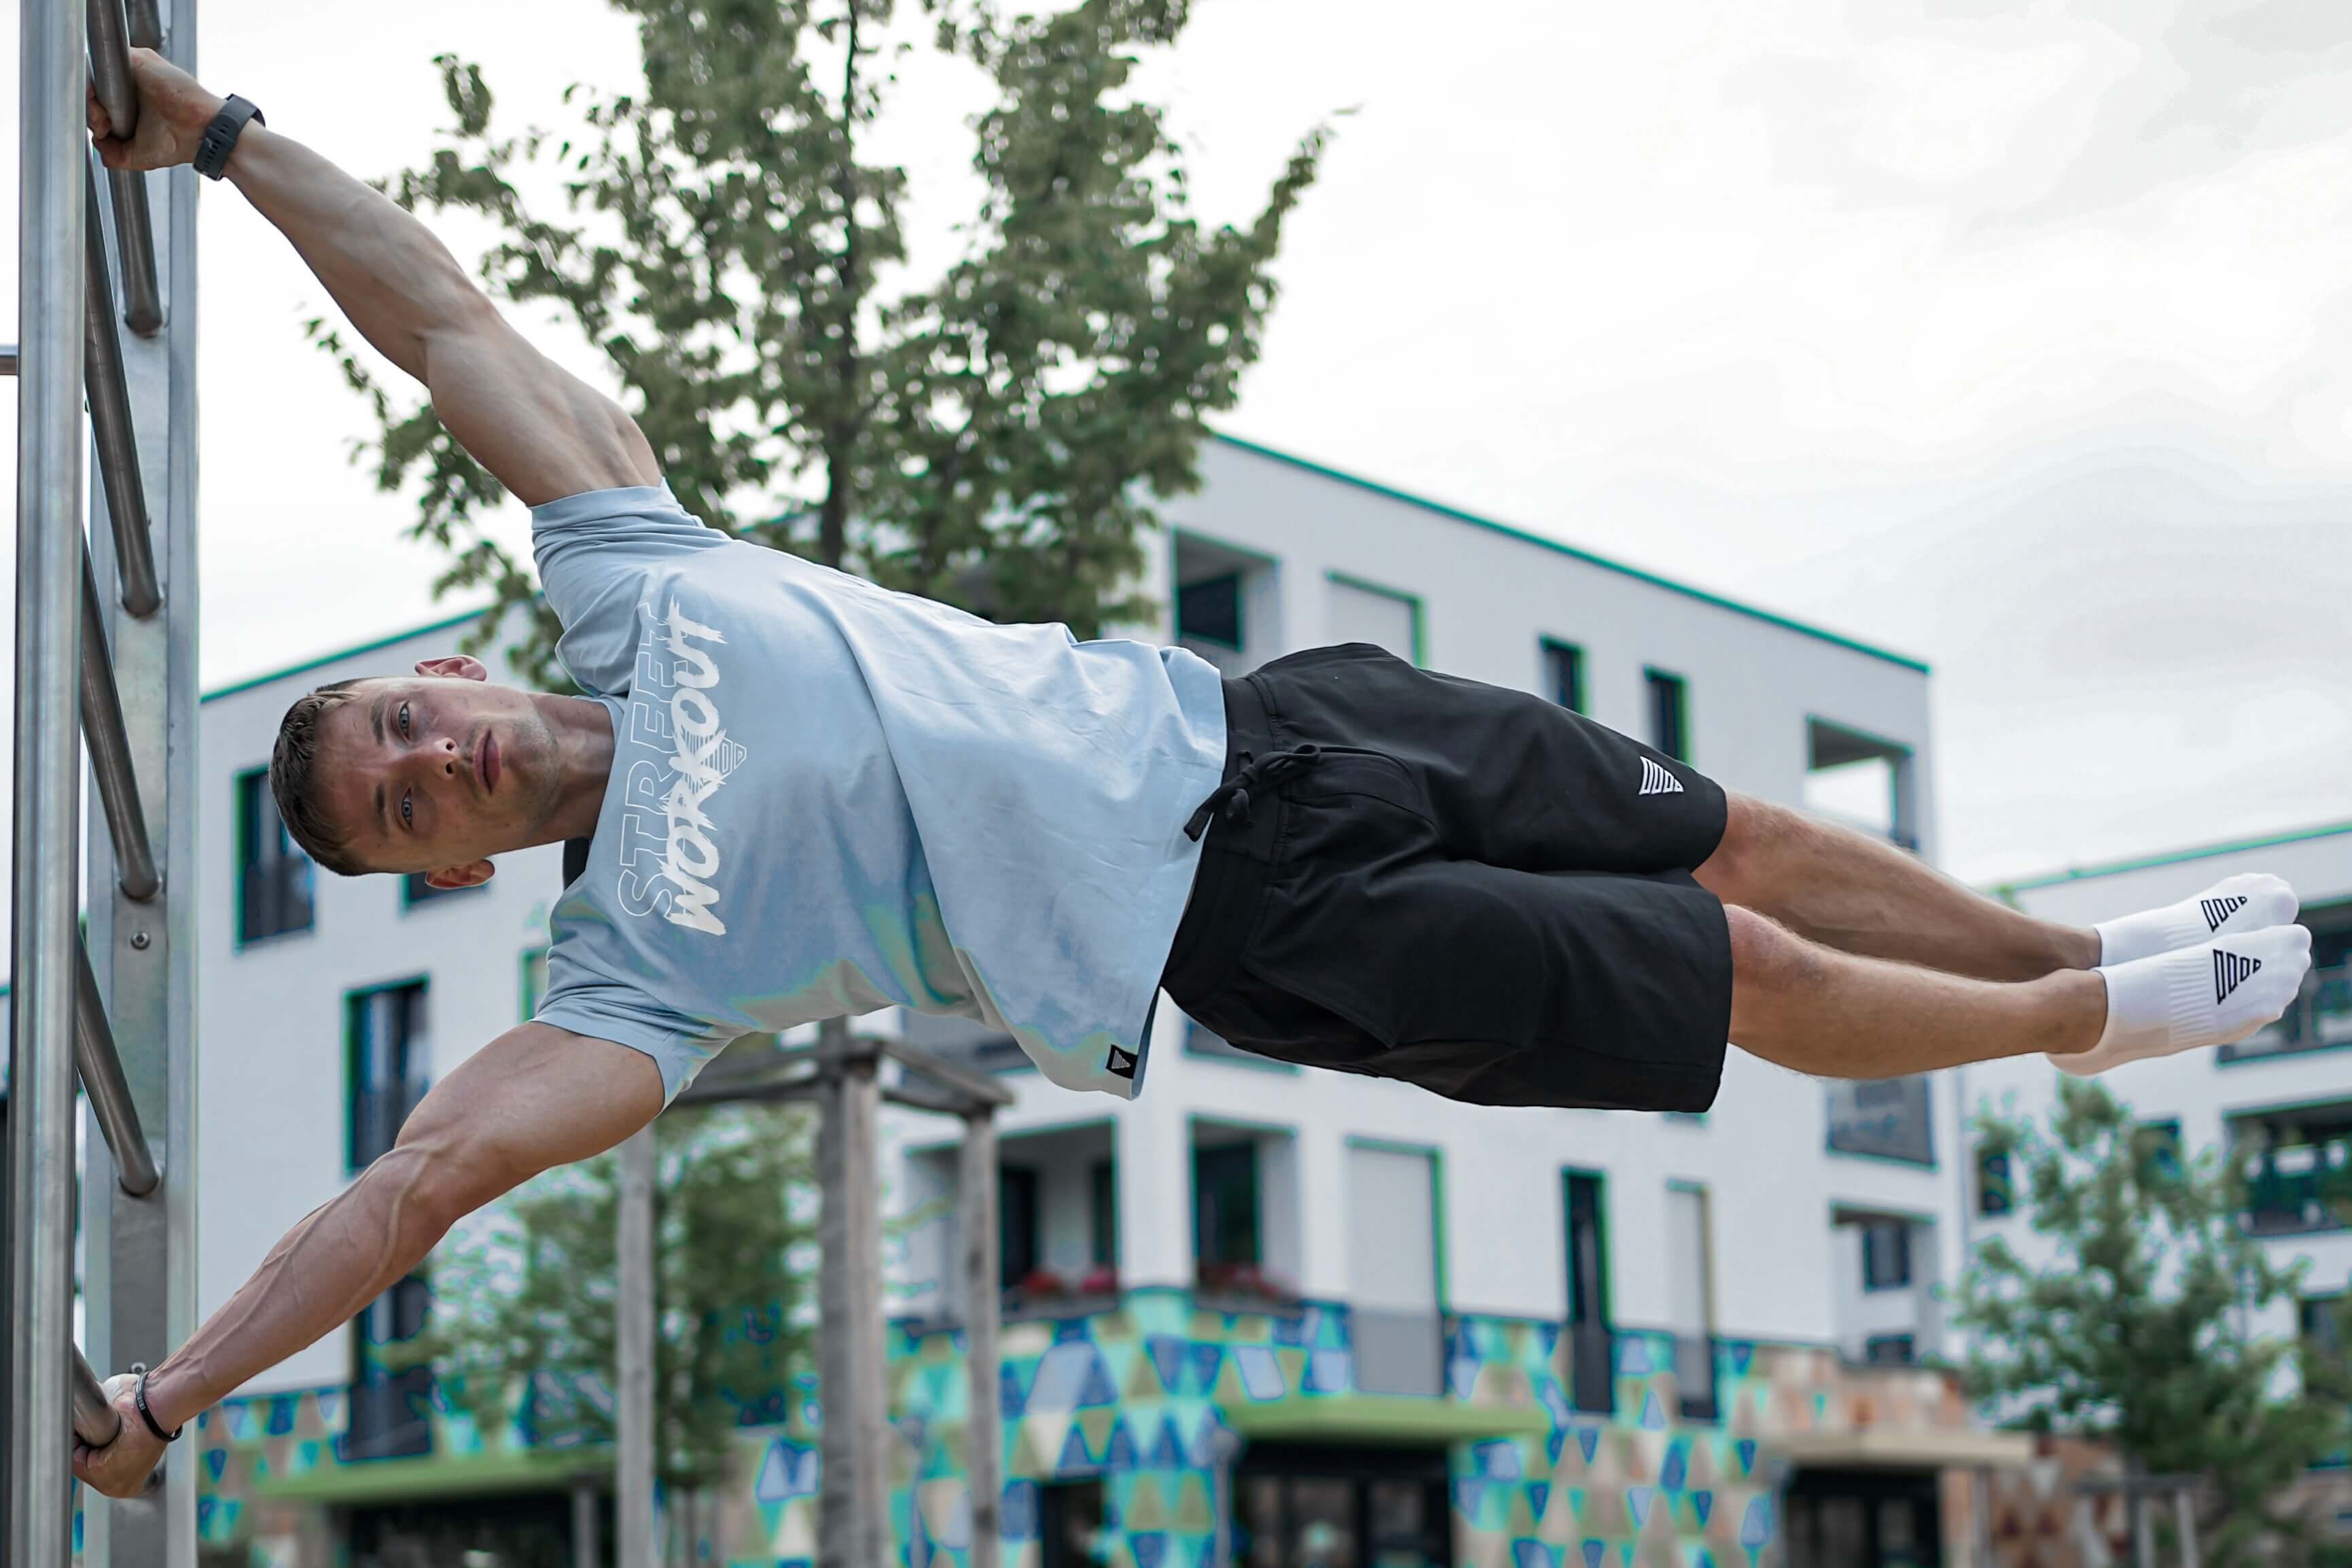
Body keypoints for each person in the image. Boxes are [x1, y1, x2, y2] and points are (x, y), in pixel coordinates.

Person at [73, 52, 2312, 1496]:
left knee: (1749, 825)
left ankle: (2081, 960)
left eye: (398, 725)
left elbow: (441, 311)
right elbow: (416, 1188)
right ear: (445, 856)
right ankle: (2077, 1024)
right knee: (1715, 954)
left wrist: (233, 143)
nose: (430, 764)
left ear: (449, 664)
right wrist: (175, 1395)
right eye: (404, 807)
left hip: (1270, 718)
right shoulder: (626, 975)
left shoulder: (633, 559)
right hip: (1240, 931)